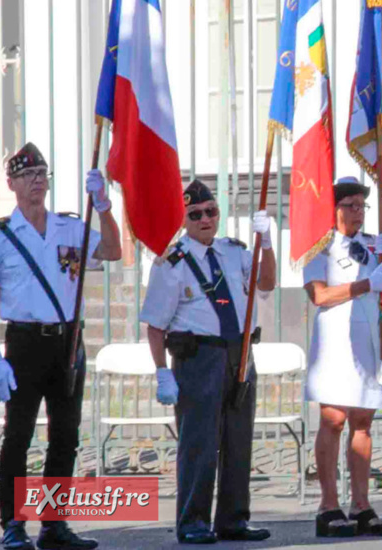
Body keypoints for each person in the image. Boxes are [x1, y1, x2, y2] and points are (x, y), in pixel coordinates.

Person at [0, 142, 122, 550]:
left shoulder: (69, 228)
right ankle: (13, 523)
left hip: (67, 341)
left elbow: (112, 250)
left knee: (65, 436)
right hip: (24, 343)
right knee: (18, 436)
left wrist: (104, 205)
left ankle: (54, 524)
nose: (37, 181)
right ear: (11, 183)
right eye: (27, 175)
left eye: (42, 174)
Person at [140, 180, 277, 545]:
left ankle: (233, 519)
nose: (205, 219)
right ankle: (192, 521)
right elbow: (154, 326)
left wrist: (269, 242)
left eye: (211, 212)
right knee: (199, 444)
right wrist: (161, 372)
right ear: (184, 219)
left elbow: (267, 282)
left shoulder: (234, 252)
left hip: (240, 354)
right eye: (195, 214)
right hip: (199, 357)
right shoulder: (172, 262)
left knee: (238, 440)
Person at [303, 176, 382, 538]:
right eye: (350, 206)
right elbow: (321, 296)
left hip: (367, 341)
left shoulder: (374, 245)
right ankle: (328, 504)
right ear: (334, 208)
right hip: (334, 342)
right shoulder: (319, 248)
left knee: (362, 421)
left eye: (362, 205)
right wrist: (363, 285)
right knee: (333, 420)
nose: (358, 212)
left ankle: (361, 504)